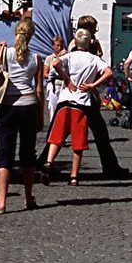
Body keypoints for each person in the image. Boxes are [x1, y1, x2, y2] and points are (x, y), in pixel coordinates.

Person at [0, 17, 41, 213]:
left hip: (8, 106)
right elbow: (39, 90)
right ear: (31, 36)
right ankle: (28, 197)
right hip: (29, 106)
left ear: (15, 32)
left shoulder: (5, 53)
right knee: (28, 153)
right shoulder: (36, 58)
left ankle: (2, 201)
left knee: (5, 152)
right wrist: (41, 116)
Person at [42, 28, 108, 185]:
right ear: (90, 42)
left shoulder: (70, 56)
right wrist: (93, 85)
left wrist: (66, 78)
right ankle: (74, 176)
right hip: (82, 102)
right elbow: (108, 72)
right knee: (78, 142)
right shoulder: (94, 59)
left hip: (65, 99)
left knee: (57, 136)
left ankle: (49, 162)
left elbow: (56, 63)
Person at [72, 15, 128, 177]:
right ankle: (110, 166)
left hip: (86, 92)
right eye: (94, 27)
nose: (96, 30)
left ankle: (110, 165)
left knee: (98, 131)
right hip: (82, 93)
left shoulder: (89, 43)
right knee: (98, 131)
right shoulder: (78, 44)